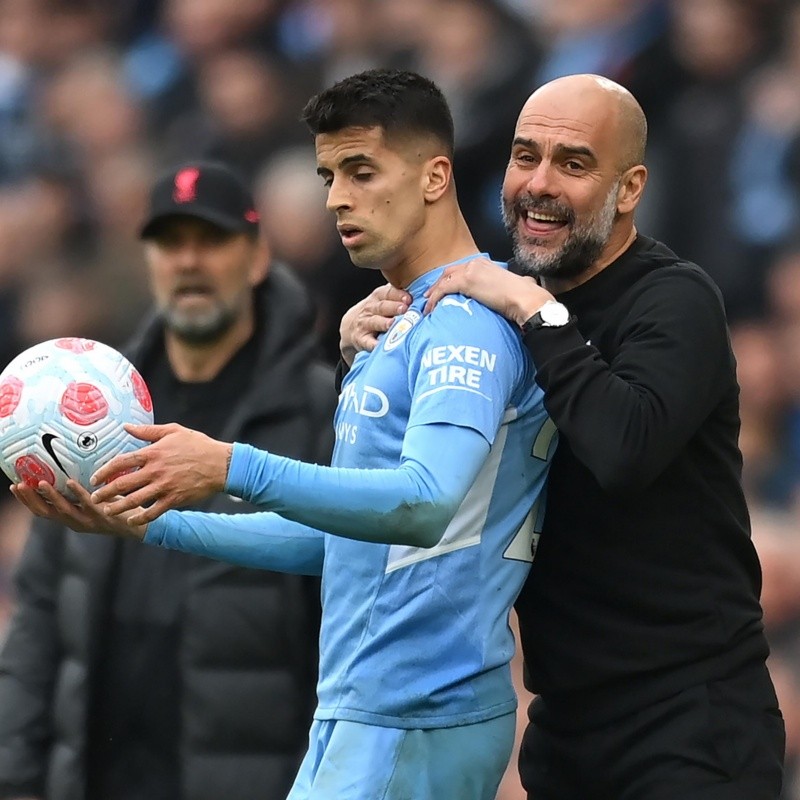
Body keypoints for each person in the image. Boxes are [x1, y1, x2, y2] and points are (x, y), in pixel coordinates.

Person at [11, 70, 556, 800]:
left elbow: (425, 505)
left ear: (435, 177)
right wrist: (150, 525)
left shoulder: (469, 321)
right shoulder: (391, 324)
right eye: (328, 175)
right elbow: (341, 546)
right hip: (363, 710)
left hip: (419, 708)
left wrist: (230, 465)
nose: (337, 198)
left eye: (362, 171)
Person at [341, 73, 787, 799]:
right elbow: (416, 478)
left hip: (690, 726)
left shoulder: (676, 300)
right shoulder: (495, 306)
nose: (538, 184)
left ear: (631, 187)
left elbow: (623, 449)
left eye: (573, 164)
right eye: (525, 157)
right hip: (563, 729)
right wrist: (361, 358)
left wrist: (536, 310)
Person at [0, 160, 336, 800]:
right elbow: (39, 622)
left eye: (212, 241)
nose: (189, 262)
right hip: (98, 776)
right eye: (170, 242)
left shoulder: (321, 412)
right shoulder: (78, 413)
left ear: (258, 257)